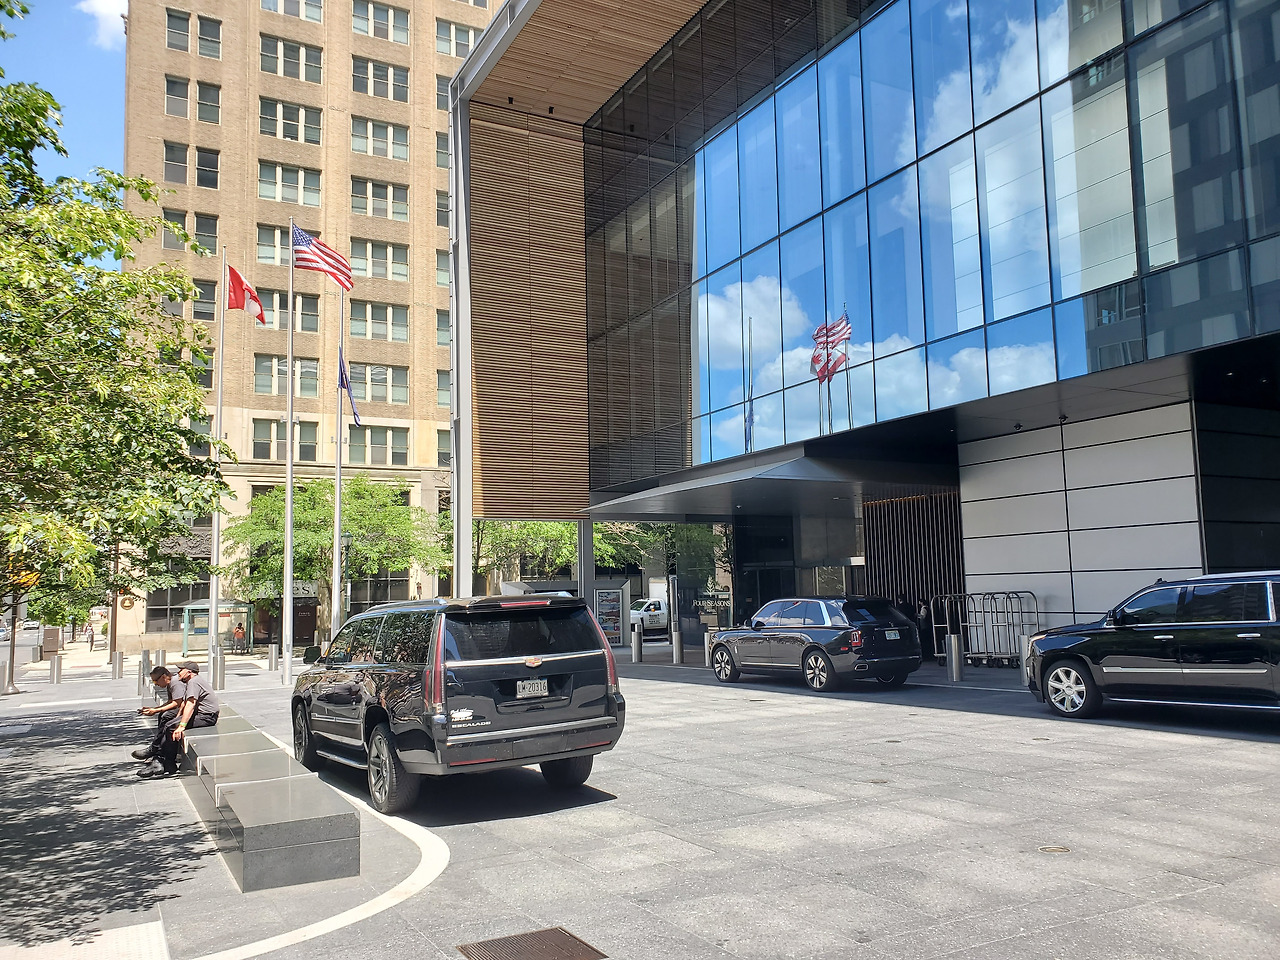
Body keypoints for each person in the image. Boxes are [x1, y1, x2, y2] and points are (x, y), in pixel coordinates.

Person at [137, 661, 220, 779]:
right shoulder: (191, 681)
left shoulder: (193, 682)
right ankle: (163, 760)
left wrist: (181, 725)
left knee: (171, 727)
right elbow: (184, 703)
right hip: (202, 714)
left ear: (189, 672)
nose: (178, 672)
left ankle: (167, 762)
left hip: (207, 716)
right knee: (169, 724)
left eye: (181, 670)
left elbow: (190, 704)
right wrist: (178, 718)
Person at [131, 666, 187, 765]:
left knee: (166, 717)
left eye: (156, 681)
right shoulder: (170, 684)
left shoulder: (175, 683)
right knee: (163, 715)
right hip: (182, 708)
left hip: (189, 710)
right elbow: (171, 701)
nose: (156, 684)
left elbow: (177, 703)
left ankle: (156, 749)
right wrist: (154, 709)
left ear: (163, 677)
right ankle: (157, 748)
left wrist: (156, 710)